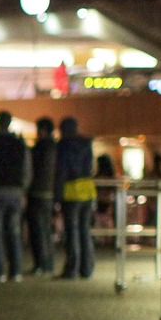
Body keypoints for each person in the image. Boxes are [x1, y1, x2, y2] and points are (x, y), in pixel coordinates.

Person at [0, 111, 30, 281]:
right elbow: (27, 169)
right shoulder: (20, 144)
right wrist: (23, 188)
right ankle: (16, 271)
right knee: (14, 231)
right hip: (15, 192)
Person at [57, 117, 96, 278]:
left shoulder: (63, 146)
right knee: (85, 230)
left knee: (71, 231)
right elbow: (91, 167)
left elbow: (61, 171)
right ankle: (87, 268)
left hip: (70, 191)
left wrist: (57, 194)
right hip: (87, 190)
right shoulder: (86, 144)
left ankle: (71, 268)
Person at [26, 117, 57, 275]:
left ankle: (40, 264)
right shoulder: (55, 147)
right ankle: (48, 263)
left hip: (37, 192)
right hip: (49, 193)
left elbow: (31, 170)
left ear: (42, 130)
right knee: (45, 230)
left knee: (37, 230)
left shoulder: (39, 148)